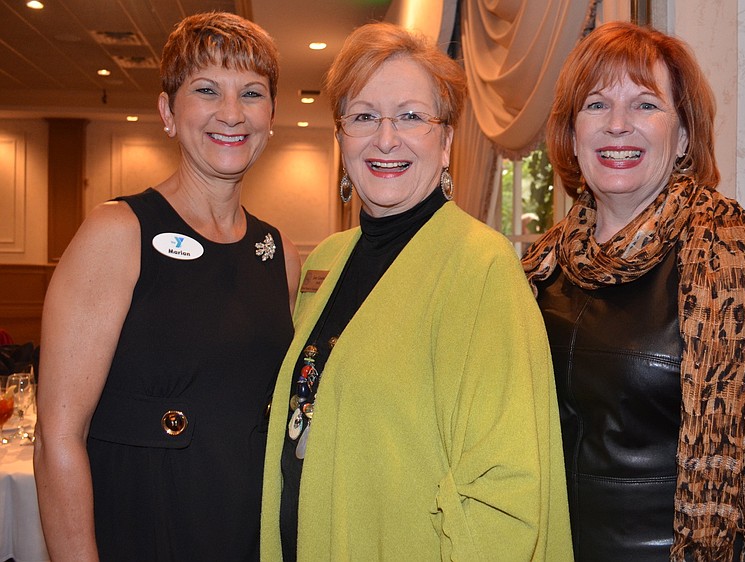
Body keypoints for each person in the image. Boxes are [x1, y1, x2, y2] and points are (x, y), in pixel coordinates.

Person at [522, 21, 745, 561]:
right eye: (596, 105)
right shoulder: (539, 270)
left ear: (684, 134)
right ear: (573, 135)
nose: (618, 125)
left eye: (645, 105)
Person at [260, 21, 570, 561]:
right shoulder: (329, 260)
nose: (385, 139)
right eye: (362, 117)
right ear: (340, 139)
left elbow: (505, 490)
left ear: (447, 141)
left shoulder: (481, 267)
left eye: (410, 116)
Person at [33, 12, 301, 561]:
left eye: (251, 93)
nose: (232, 113)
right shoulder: (117, 233)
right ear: (168, 111)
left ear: (271, 116)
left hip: (245, 534)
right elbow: (56, 438)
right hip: (142, 528)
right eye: (207, 90)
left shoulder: (281, 255)